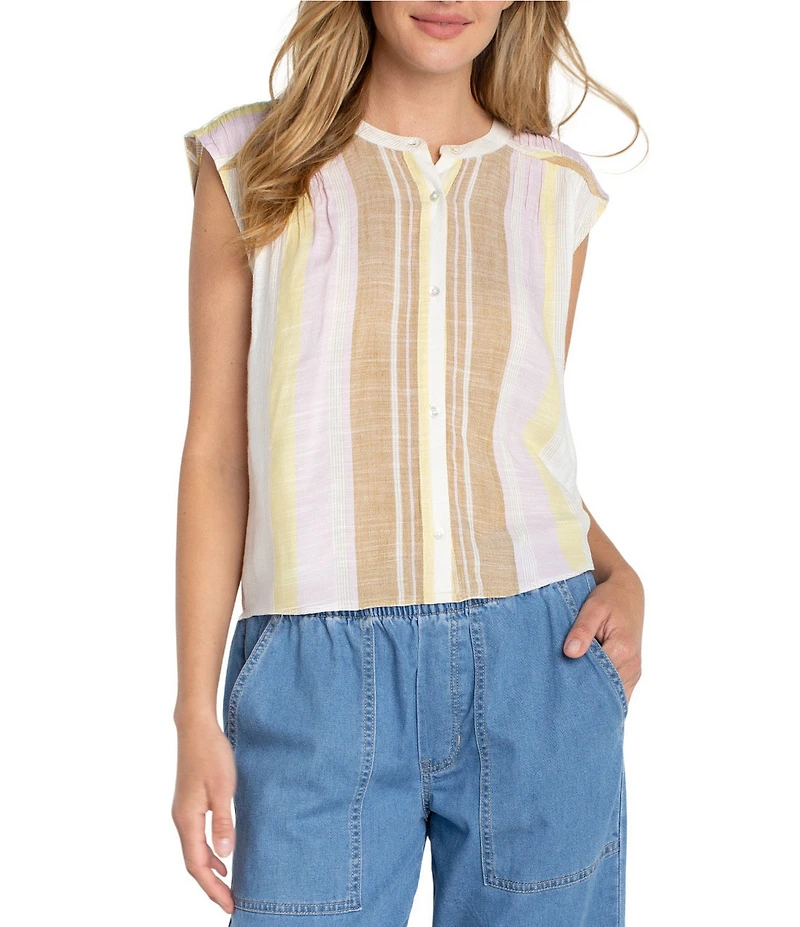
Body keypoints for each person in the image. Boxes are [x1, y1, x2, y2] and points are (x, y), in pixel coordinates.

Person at [172, 2, 646, 925]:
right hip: (315, 680)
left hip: (540, 663)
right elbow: (218, 451)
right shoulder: (251, 166)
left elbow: (517, 443)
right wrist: (194, 709)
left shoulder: (555, 191)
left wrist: (619, 571)